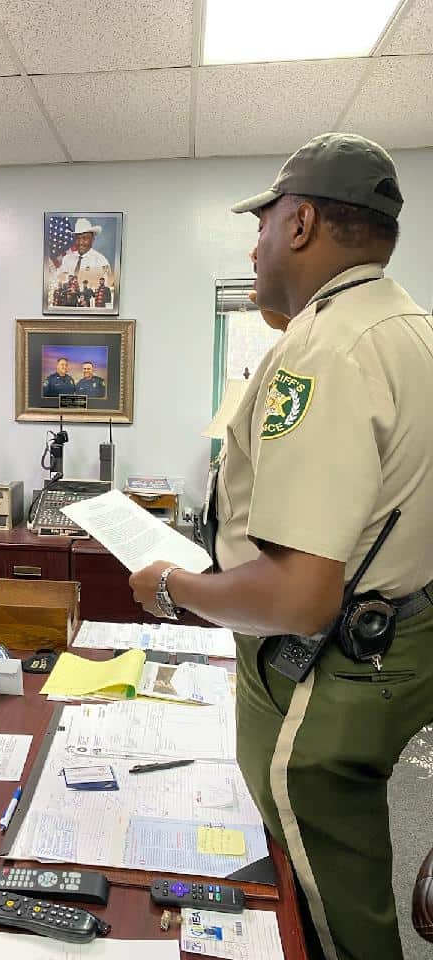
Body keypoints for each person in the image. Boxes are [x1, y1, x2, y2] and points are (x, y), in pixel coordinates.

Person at [128, 133, 433, 960]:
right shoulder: (404, 325)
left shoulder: (327, 350)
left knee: (331, 905)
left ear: (299, 224)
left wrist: (172, 588)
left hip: (330, 660)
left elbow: (300, 593)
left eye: (260, 227)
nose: (253, 245)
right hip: (403, 636)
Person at [58, 218, 112, 289]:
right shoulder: (67, 259)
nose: (80, 243)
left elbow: (107, 285)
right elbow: (60, 280)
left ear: (92, 240)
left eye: (85, 238)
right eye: (78, 238)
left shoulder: (101, 261)